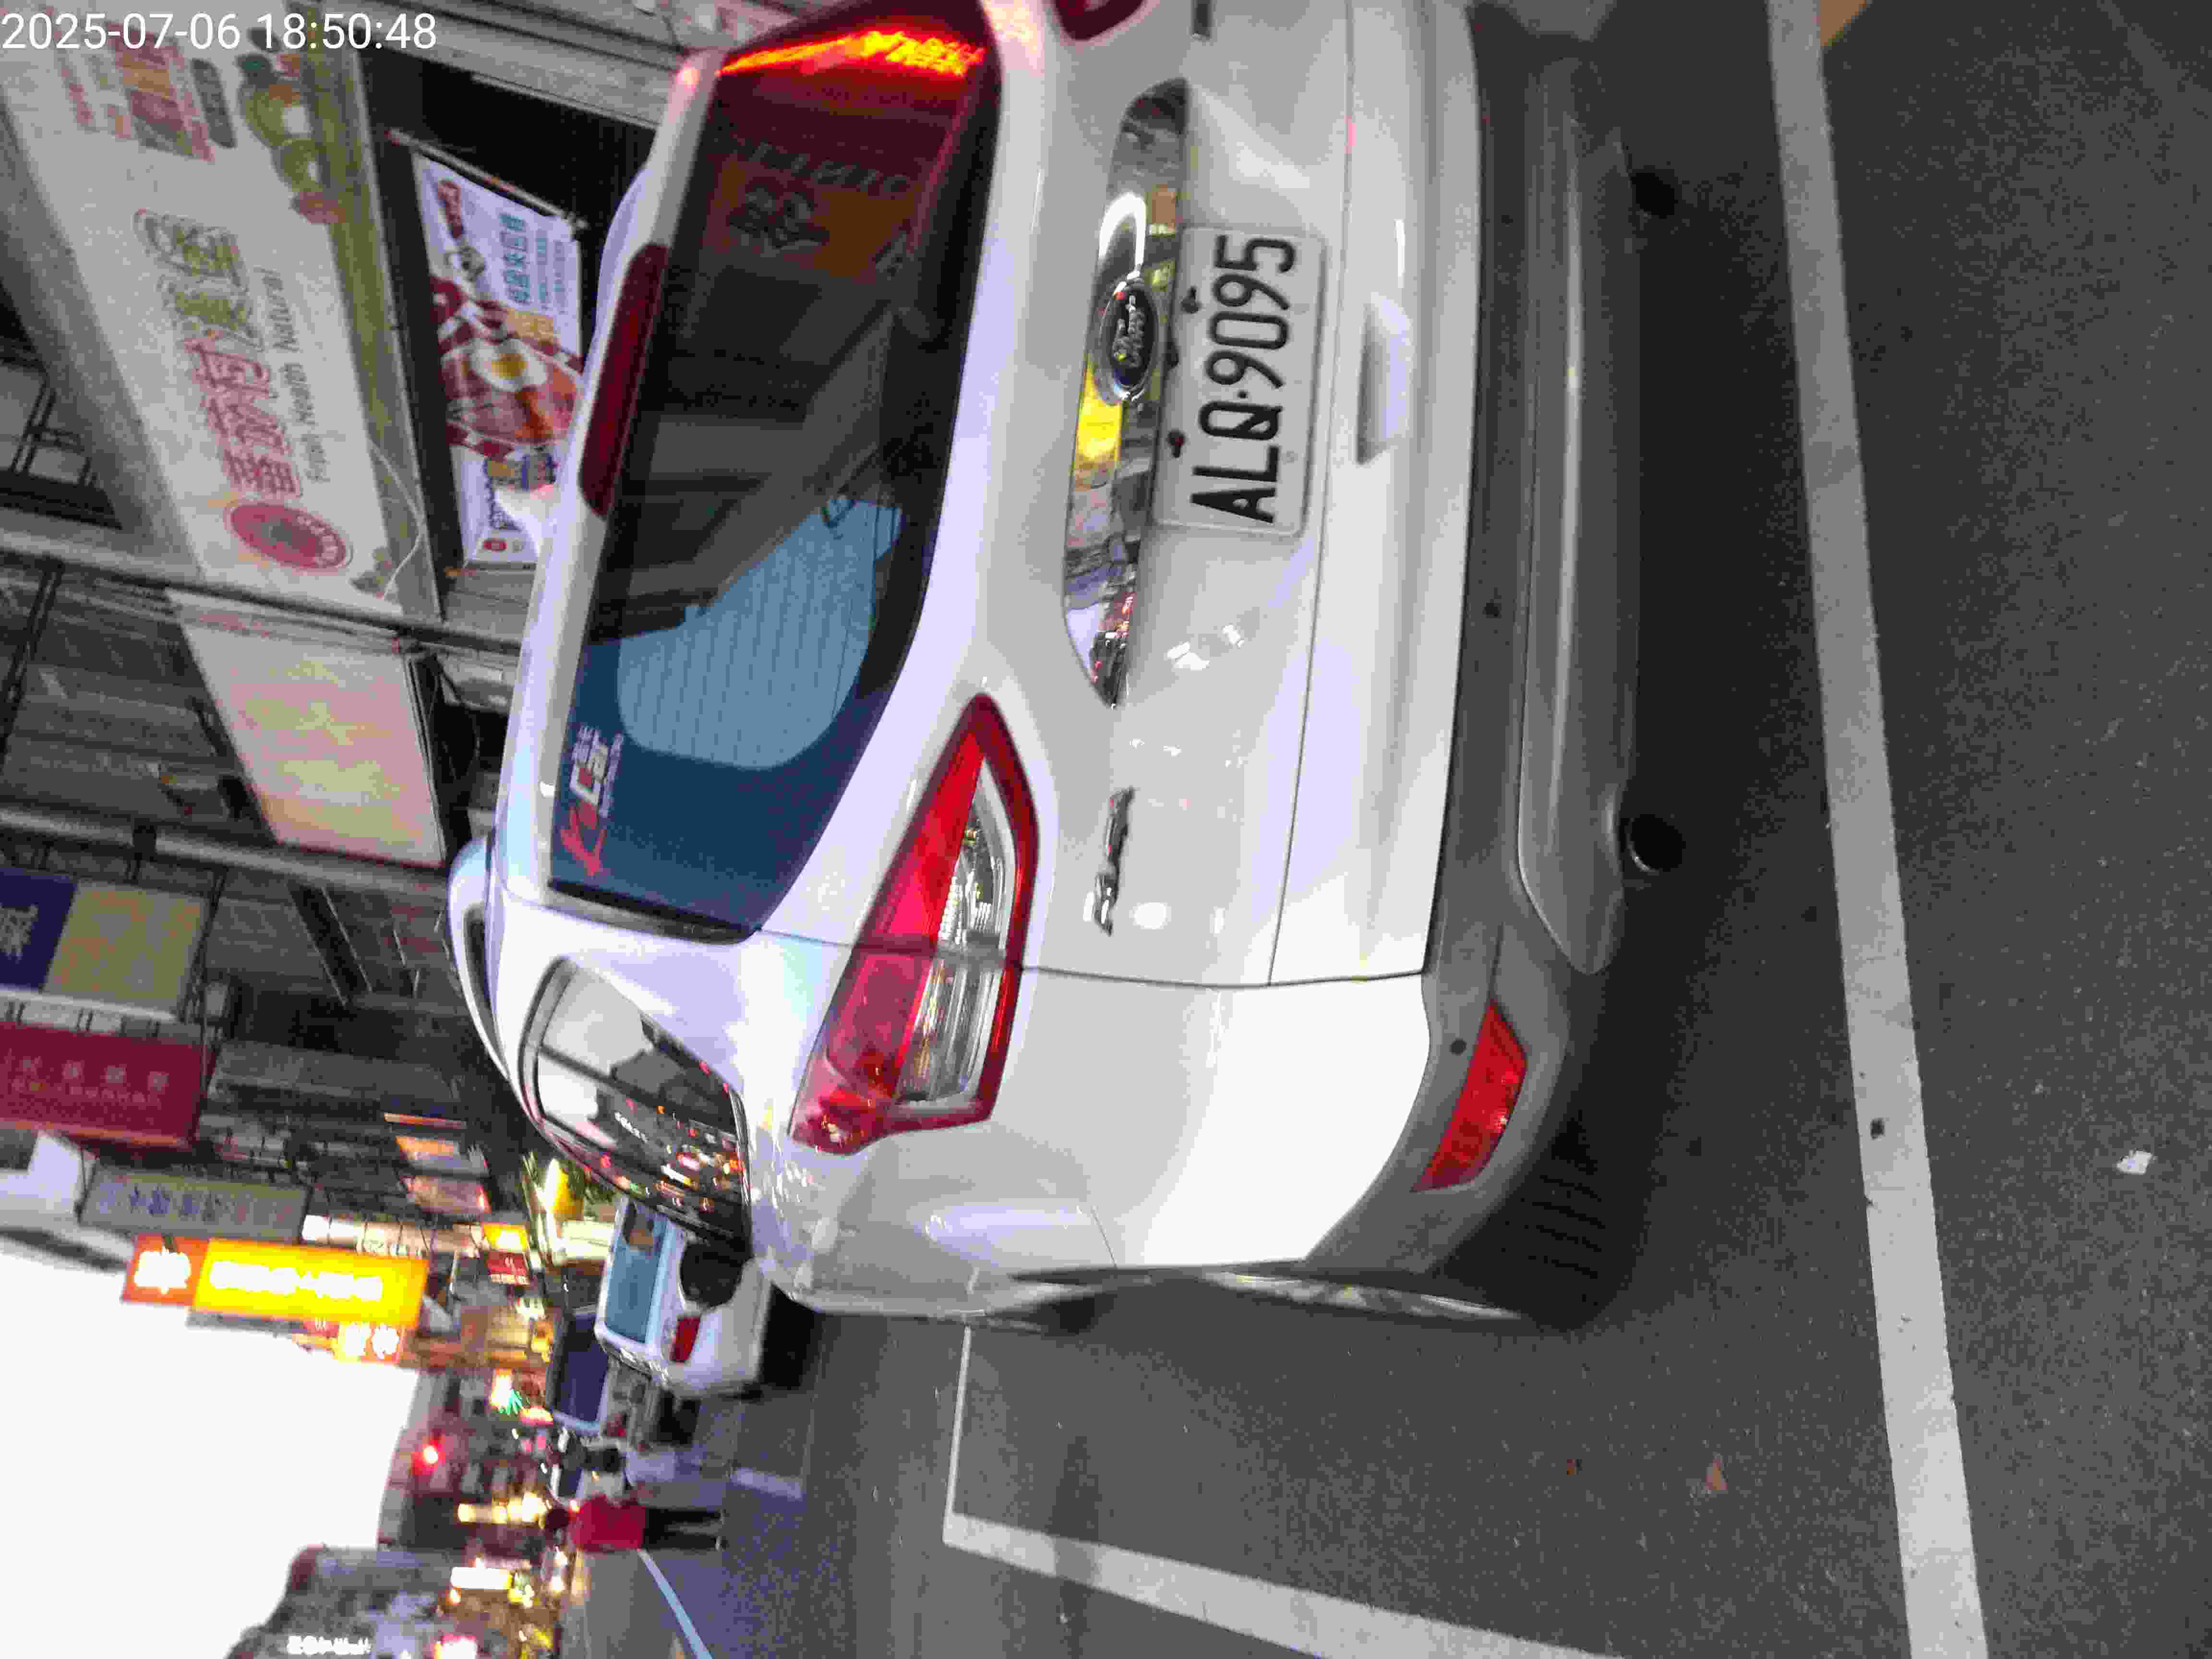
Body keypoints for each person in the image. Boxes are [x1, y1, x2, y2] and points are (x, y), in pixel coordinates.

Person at [543, 1491, 722, 1554]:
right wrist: (635, 1496)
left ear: (560, 1529)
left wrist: (622, 1546)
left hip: (635, 1539)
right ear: (563, 1511)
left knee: (676, 1540)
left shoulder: (579, 1542)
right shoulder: (587, 1506)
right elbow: (617, 1501)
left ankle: (713, 1542)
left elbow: (606, 1550)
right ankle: (715, 1516)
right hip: (639, 1515)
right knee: (677, 1517)